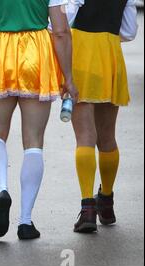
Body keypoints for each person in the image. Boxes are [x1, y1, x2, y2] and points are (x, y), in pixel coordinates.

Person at [0, 0, 78, 240]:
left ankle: (2, 189)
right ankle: (25, 221)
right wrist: (68, 77)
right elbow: (60, 31)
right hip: (37, 53)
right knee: (34, 141)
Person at [69, 0, 138, 233]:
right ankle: (106, 202)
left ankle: (87, 207)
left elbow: (65, 18)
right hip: (111, 54)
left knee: (85, 136)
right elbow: (129, 31)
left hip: (82, 52)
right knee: (108, 137)